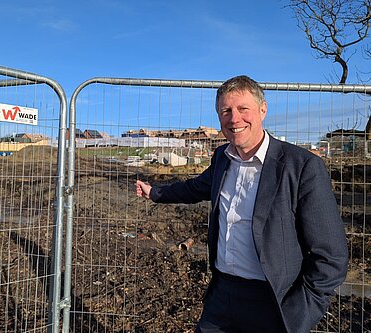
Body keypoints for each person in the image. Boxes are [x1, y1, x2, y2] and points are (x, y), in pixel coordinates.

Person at [135, 75, 348, 333]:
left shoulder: (301, 167)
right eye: (225, 111)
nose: (234, 119)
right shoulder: (222, 159)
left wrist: (296, 316)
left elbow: (331, 256)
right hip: (222, 296)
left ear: (262, 109)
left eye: (242, 109)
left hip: (274, 301)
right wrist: (155, 193)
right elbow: (194, 188)